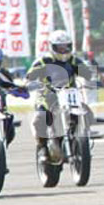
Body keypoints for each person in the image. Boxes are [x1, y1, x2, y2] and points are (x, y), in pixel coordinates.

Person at [26, 30, 93, 164]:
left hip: (70, 95)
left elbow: (88, 73)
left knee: (88, 113)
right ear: (52, 47)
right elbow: (29, 76)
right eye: (60, 47)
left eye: (66, 46)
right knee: (40, 119)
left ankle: (83, 135)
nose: (63, 50)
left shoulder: (74, 60)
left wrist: (94, 79)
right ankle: (43, 148)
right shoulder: (44, 61)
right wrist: (32, 81)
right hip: (48, 96)